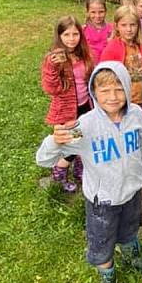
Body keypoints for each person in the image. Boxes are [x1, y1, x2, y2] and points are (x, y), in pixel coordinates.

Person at [36, 62, 142, 283]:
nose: (112, 97)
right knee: (102, 242)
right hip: (102, 201)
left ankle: (132, 257)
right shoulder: (86, 126)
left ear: (127, 87)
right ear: (93, 92)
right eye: (104, 91)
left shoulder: (137, 116)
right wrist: (54, 141)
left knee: (130, 228)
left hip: (132, 192)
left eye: (118, 89)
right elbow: (43, 160)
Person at [41, 15, 94, 192]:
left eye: (75, 34)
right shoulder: (55, 59)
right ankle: (59, 170)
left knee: (83, 140)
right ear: (59, 36)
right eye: (67, 35)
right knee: (71, 144)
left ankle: (80, 170)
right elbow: (51, 88)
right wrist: (52, 68)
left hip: (85, 106)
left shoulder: (83, 55)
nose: (72, 39)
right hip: (66, 111)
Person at [101, 5, 142, 121]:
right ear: (116, 26)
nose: (129, 29)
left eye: (133, 25)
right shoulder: (112, 48)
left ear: (138, 26)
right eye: (124, 25)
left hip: (138, 90)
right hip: (121, 96)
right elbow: (103, 76)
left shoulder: (140, 45)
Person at [83, 0, 113, 64]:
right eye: (93, 12)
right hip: (90, 66)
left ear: (106, 11)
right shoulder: (83, 30)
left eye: (101, 12)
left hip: (108, 65)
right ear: (87, 12)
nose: (97, 16)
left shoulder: (112, 29)